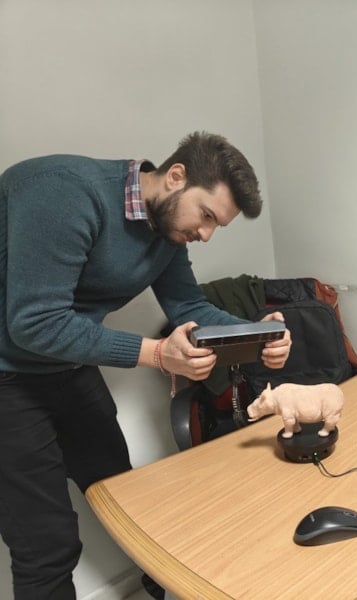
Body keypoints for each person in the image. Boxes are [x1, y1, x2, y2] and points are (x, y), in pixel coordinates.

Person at [0, 132, 292, 600]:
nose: (206, 234)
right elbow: (35, 323)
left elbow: (188, 306)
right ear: (175, 176)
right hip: (7, 380)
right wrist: (158, 354)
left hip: (68, 367)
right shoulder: (64, 190)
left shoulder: (165, 232)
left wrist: (258, 335)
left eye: (217, 226)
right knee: (46, 545)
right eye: (206, 215)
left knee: (129, 502)